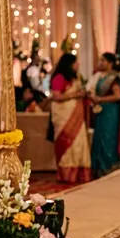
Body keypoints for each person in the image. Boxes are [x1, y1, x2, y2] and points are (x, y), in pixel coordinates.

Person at [49, 54, 91, 183]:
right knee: (66, 143)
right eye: (75, 63)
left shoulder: (75, 78)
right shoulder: (59, 78)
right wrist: (76, 94)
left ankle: (79, 174)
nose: (77, 65)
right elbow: (56, 97)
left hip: (77, 116)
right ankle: (66, 175)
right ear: (68, 64)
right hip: (63, 116)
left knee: (79, 143)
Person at [90, 53, 120, 178]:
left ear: (110, 63)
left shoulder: (114, 78)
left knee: (108, 138)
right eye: (100, 60)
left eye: (103, 61)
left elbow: (118, 96)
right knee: (99, 137)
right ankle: (99, 167)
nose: (100, 63)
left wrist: (100, 99)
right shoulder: (100, 76)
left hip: (111, 111)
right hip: (102, 110)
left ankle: (109, 166)